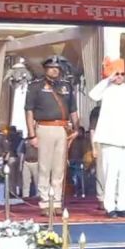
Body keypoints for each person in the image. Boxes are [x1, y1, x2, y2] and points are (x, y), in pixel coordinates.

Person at [24, 55, 79, 217]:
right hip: (44, 127)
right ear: (45, 69)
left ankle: (56, 202)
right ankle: (44, 202)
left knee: (59, 168)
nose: (55, 70)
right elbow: (29, 111)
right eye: (51, 68)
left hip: (62, 128)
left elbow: (73, 110)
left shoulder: (66, 86)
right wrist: (31, 135)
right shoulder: (36, 86)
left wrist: (76, 128)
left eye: (57, 68)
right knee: (44, 167)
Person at [88, 59, 125, 218]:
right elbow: (92, 95)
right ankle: (110, 206)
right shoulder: (106, 89)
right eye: (116, 74)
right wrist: (107, 80)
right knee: (110, 175)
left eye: (122, 74)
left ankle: (123, 206)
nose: (119, 77)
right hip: (109, 138)